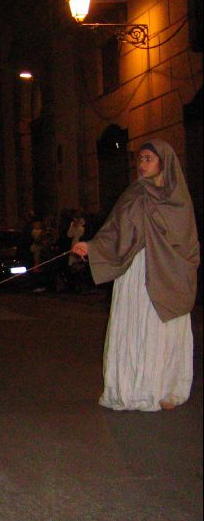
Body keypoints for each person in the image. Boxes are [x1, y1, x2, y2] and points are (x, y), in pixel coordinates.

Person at [72, 139, 199, 412]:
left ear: (163, 162)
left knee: (162, 331)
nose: (142, 164)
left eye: (148, 159)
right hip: (138, 269)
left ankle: (165, 389)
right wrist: (92, 247)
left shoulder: (178, 198)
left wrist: (182, 268)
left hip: (168, 273)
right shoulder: (135, 194)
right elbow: (116, 230)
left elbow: (187, 240)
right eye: (140, 159)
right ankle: (134, 388)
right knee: (136, 326)